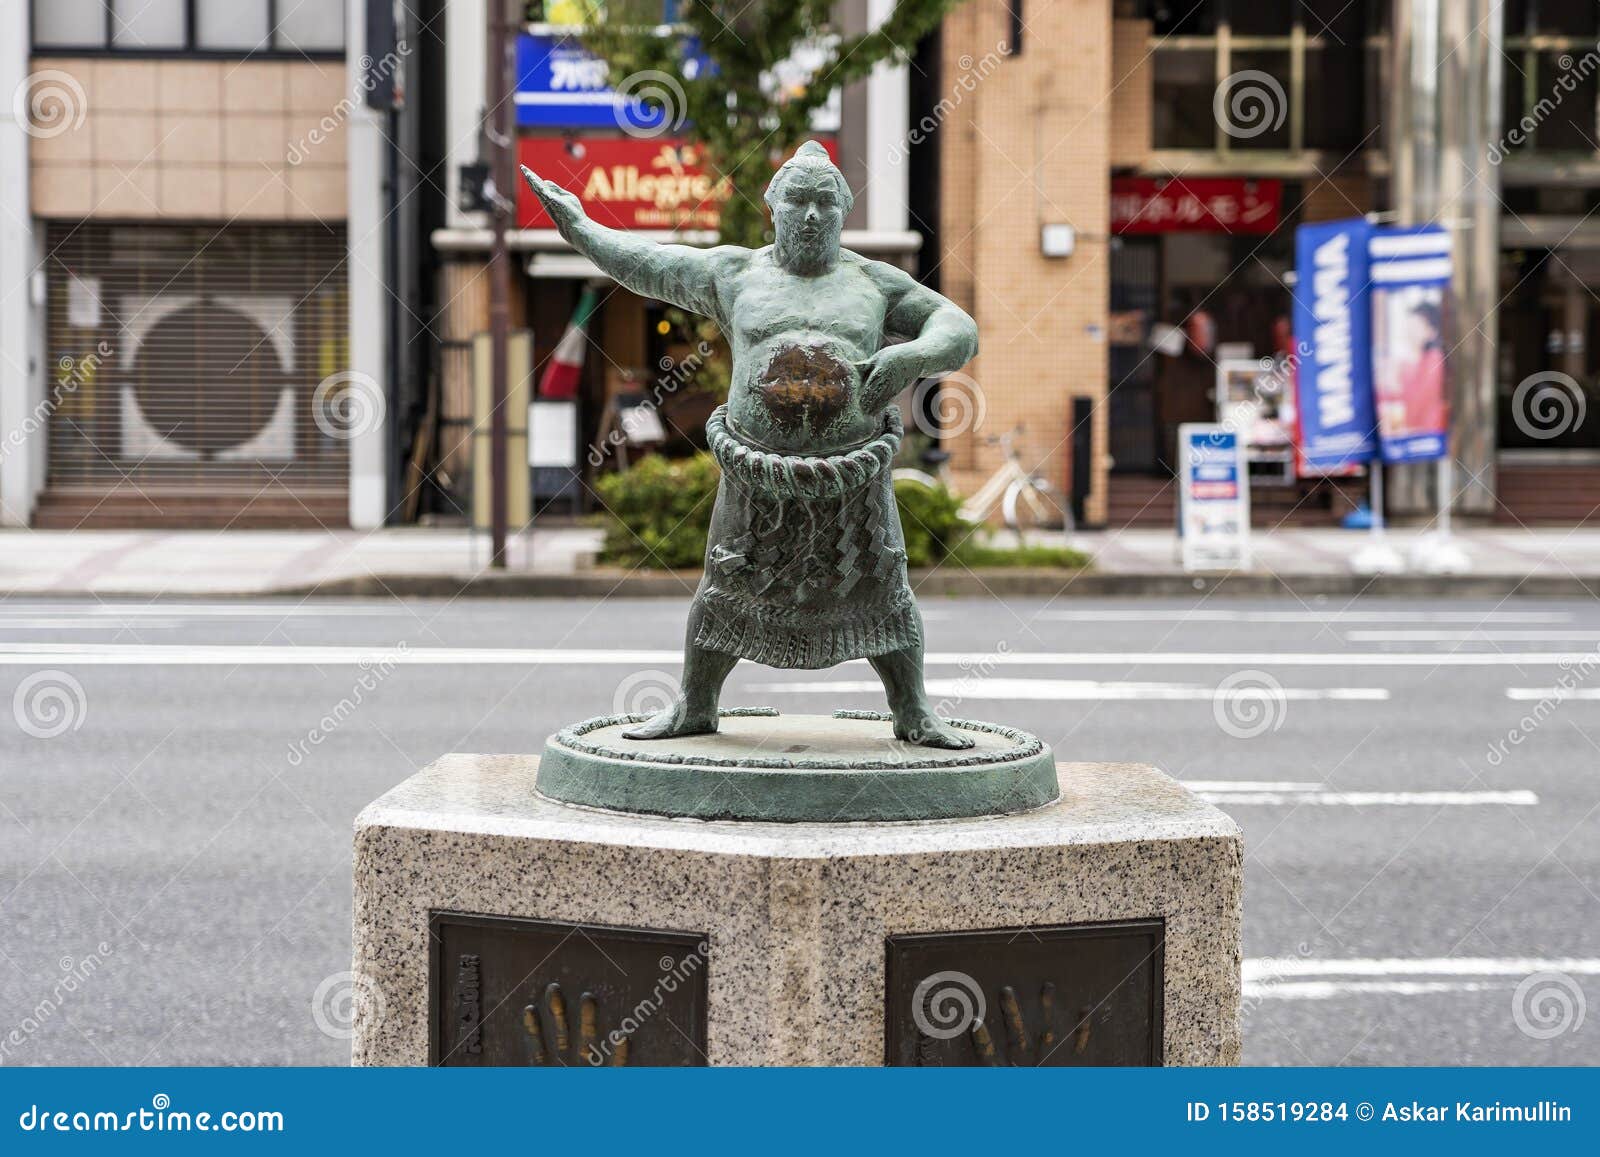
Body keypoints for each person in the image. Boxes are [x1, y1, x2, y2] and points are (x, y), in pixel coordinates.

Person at [521, 142, 979, 748]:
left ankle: (913, 710)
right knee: (725, 587)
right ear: (773, 208)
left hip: (853, 470)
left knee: (883, 586)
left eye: (825, 201)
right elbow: (647, 261)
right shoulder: (734, 274)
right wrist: (580, 227)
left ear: (843, 210)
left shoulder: (875, 282)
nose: (811, 214)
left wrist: (913, 355)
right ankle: (696, 704)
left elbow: (959, 329)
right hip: (755, 469)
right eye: (798, 200)